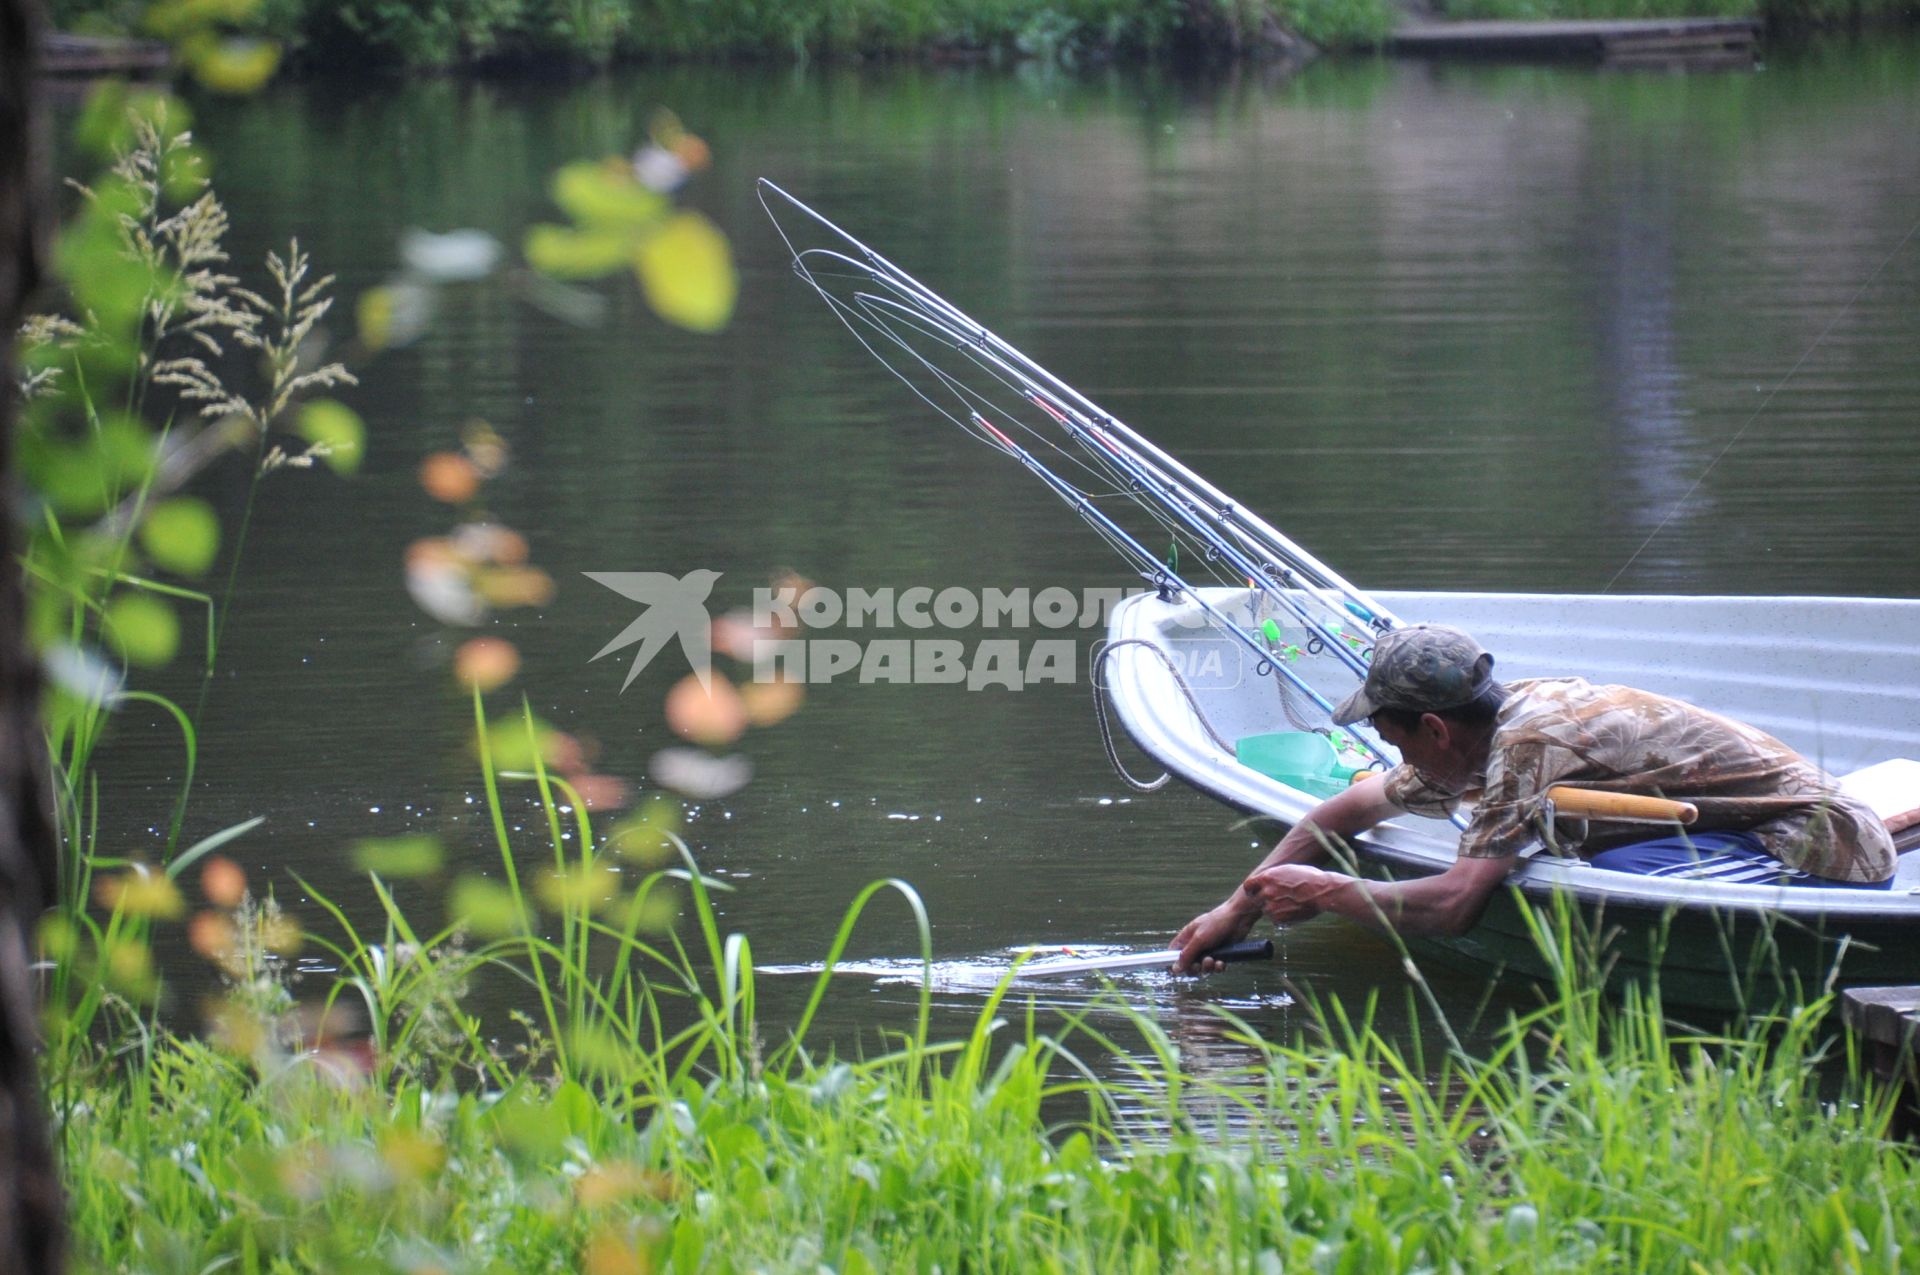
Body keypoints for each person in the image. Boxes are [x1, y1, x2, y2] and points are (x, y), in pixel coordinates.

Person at [1173, 624, 1897, 972]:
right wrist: (1239, 906)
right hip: (1741, 830)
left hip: (1820, 849)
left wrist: (1329, 891)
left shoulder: (1529, 744)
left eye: (1394, 741)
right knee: (1565, 841)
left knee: (1598, 867)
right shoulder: (1476, 734)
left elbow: (1457, 904)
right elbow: (1345, 812)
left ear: (1430, 726)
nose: (1397, 760)